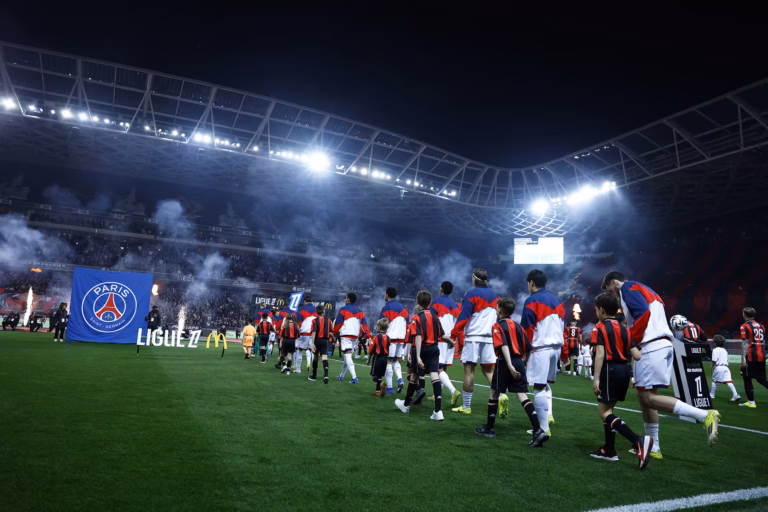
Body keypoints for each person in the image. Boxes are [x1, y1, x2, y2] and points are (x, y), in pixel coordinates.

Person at [602, 271, 720, 458]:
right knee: (645, 398)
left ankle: (704, 415)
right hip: (661, 344)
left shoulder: (627, 289)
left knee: (649, 399)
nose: (613, 295)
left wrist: (630, 341)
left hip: (651, 345)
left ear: (615, 282)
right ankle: (654, 446)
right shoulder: (646, 289)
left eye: (611, 290)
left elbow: (643, 313)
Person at [589, 292, 651, 469]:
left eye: (596, 309)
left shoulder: (598, 328)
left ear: (601, 310)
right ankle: (609, 451)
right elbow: (637, 355)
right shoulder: (625, 329)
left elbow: (600, 354)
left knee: (604, 413)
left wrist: (596, 379)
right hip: (625, 371)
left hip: (610, 370)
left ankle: (637, 440)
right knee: (609, 410)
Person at [476, 297, 548, 446]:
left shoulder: (497, 326)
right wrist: (524, 363)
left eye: (496, 308)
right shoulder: (518, 326)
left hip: (505, 362)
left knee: (494, 393)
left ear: (500, 311)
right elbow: (528, 347)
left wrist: (509, 365)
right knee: (522, 396)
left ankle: (489, 428)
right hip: (519, 362)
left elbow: (503, 346)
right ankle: (538, 430)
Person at [521, 269, 564, 436]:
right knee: (545, 384)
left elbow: (527, 329)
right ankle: (547, 417)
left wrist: (524, 352)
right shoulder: (557, 300)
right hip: (556, 348)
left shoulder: (532, 300)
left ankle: (543, 429)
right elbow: (562, 325)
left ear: (531, 283)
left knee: (538, 388)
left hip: (541, 347)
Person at [451, 268, 499, 415]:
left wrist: (454, 334)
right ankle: (502, 396)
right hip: (489, 338)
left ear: (474, 279)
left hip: (473, 337)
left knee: (469, 371)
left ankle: (466, 407)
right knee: (488, 371)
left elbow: (464, 317)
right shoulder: (496, 296)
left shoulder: (471, 294)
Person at [395, 291, 447, 421]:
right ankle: (438, 411)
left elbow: (417, 337)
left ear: (417, 302)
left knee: (414, 375)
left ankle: (406, 405)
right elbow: (442, 334)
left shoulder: (417, 318)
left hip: (422, 348)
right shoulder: (435, 317)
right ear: (430, 302)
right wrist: (451, 341)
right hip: (435, 349)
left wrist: (417, 355)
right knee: (434, 375)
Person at [429, 281, 462, 407]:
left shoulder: (436, 302)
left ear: (441, 289)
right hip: (450, 340)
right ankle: (438, 393)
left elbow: (431, 319)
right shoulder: (454, 305)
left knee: (437, 367)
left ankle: (453, 391)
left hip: (440, 338)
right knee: (444, 367)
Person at [333, 293, 371, 383]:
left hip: (346, 335)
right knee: (347, 356)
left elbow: (338, 324)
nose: (345, 300)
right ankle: (342, 375)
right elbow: (364, 324)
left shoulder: (343, 310)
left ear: (348, 299)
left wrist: (334, 333)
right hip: (355, 336)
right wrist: (368, 335)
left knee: (348, 355)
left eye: (346, 298)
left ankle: (354, 377)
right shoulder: (360, 311)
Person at [379, 287, 409, 394]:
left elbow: (382, 325)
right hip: (401, 338)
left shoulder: (386, 308)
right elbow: (407, 324)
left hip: (390, 338)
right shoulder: (403, 308)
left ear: (387, 295)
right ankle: (400, 379)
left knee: (388, 362)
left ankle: (390, 388)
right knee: (395, 360)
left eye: (384, 294)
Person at [739, 307, 767, 408]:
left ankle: (751, 402)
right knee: (762, 379)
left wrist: (743, 359)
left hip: (751, 356)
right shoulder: (762, 326)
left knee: (747, 378)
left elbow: (745, 343)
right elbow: (763, 342)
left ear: (744, 314)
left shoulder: (744, 326)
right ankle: (751, 402)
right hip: (761, 355)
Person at [710, 335, 740, 402]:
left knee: (714, 381)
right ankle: (735, 395)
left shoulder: (715, 350)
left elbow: (714, 360)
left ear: (715, 342)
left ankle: (712, 394)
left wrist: (712, 366)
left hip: (718, 367)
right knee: (729, 382)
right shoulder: (725, 350)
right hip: (726, 368)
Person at [309, 305, 333, 383]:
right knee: (324, 358)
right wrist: (334, 338)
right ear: (323, 311)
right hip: (325, 341)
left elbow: (314, 332)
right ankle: (326, 375)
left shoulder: (314, 321)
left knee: (315, 357)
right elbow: (331, 331)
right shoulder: (329, 320)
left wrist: (312, 343)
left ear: (316, 312)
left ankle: (314, 375)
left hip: (317, 340)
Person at [369, 318, 391, 396]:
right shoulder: (388, 338)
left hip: (377, 358)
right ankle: (377, 391)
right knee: (380, 375)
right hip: (385, 359)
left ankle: (381, 384)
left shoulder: (376, 337)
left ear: (379, 327)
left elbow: (371, 350)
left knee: (374, 376)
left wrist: (368, 359)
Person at [296, 296, 317, 373]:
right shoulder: (316, 310)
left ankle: (298, 369)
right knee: (312, 351)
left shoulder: (301, 310)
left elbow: (298, 322)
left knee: (299, 350)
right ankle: (312, 369)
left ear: (305, 301)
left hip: (303, 333)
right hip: (313, 333)